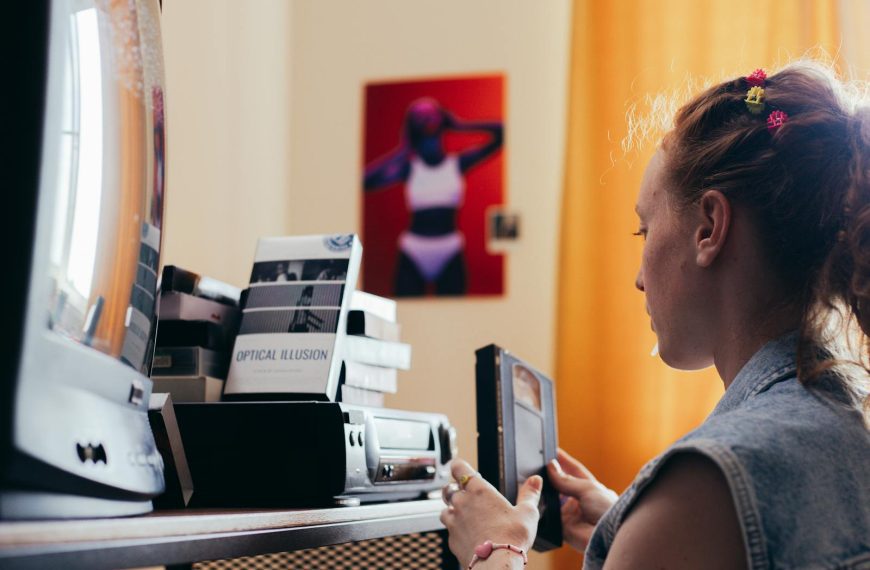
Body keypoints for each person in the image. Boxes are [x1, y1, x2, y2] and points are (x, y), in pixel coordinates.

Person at [440, 62, 870, 569]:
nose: (639, 279)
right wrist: (629, 526)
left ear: (710, 226)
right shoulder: (845, 421)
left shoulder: (706, 485)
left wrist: (496, 550)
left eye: (643, 231)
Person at [363, 98, 503, 296]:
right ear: (412, 126)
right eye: (420, 116)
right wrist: (404, 149)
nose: (427, 119)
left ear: (441, 118)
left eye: (431, 113)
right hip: (414, 250)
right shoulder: (408, 168)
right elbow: (365, 181)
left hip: (450, 248)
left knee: (454, 316)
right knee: (407, 317)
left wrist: (460, 125)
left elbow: (503, 133)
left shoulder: (458, 163)